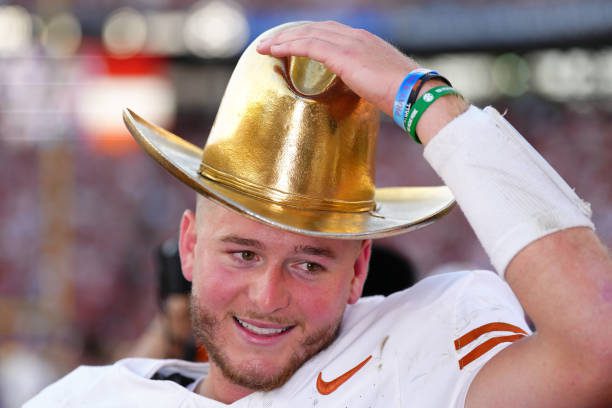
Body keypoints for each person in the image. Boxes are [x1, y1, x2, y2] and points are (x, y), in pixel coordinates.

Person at [26, 21, 611, 407]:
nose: (265, 295)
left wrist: (421, 98)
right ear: (188, 246)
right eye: (243, 252)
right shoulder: (87, 397)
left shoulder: (414, 357)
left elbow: (598, 346)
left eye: (309, 264)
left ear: (358, 271)